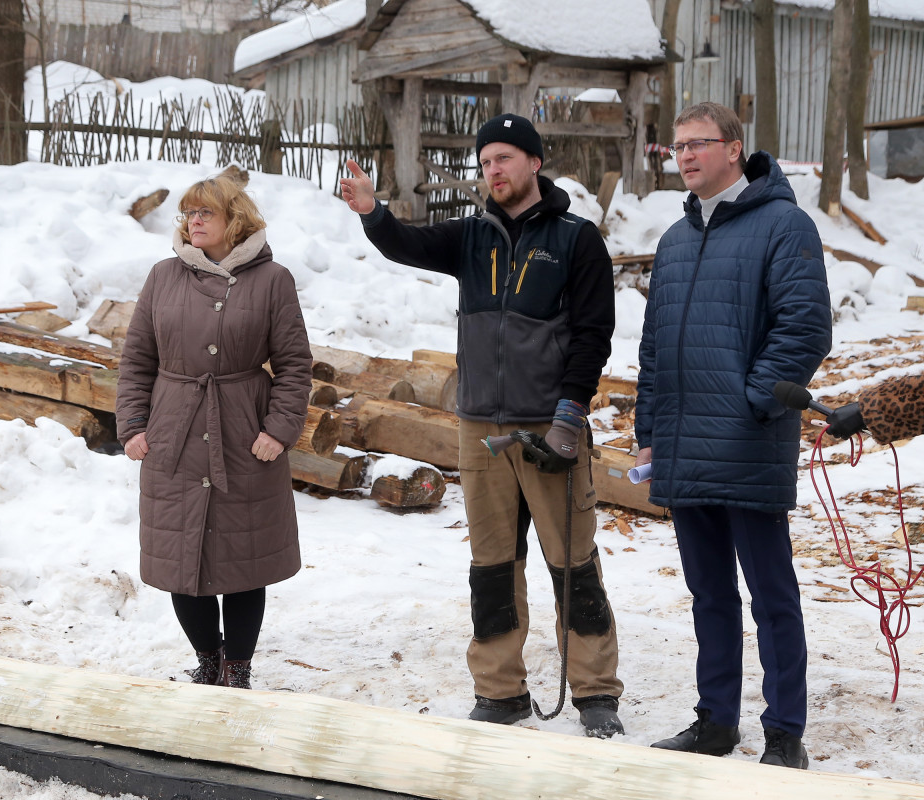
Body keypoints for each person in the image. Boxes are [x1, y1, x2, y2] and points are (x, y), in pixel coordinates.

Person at [339, 114, 625, 738]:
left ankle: (597, 691)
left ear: (534, 163)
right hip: (481, 427)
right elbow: (407, 245)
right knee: (492, 563)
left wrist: (569, 419)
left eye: (505, 159)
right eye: (486, 161)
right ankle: (500, 691)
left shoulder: (576, 239)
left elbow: (593, 335)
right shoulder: (471, 236)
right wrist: (373, 212)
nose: (493, 171)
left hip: (549, 423)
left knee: (572, 562)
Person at [634, 102, 832, 768]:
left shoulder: (785, 224)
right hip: (686, 447)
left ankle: (784, 735)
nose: (685, 156)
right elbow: (655, 346)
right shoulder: (676, 239)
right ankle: (716, 721)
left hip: (748, 441)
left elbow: (805, 328)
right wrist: (650, 429)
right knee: (710, 594)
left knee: (772, 596)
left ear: (735, 149)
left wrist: (749, 404)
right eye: (677, 147)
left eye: (698, 144)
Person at [115, 173, 313, 690]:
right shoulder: (163, 276)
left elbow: (294, 365)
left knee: (244, 561)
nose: (193, 221)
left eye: (205, 213)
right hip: (173, 432)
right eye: (188, 213)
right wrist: (133, 423)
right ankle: (207, 661)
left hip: (244, 433)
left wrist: (279, 428)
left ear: (236, 222)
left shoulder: (273, 281)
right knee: (182, 558)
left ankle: (237, 670)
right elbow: (137, 360)